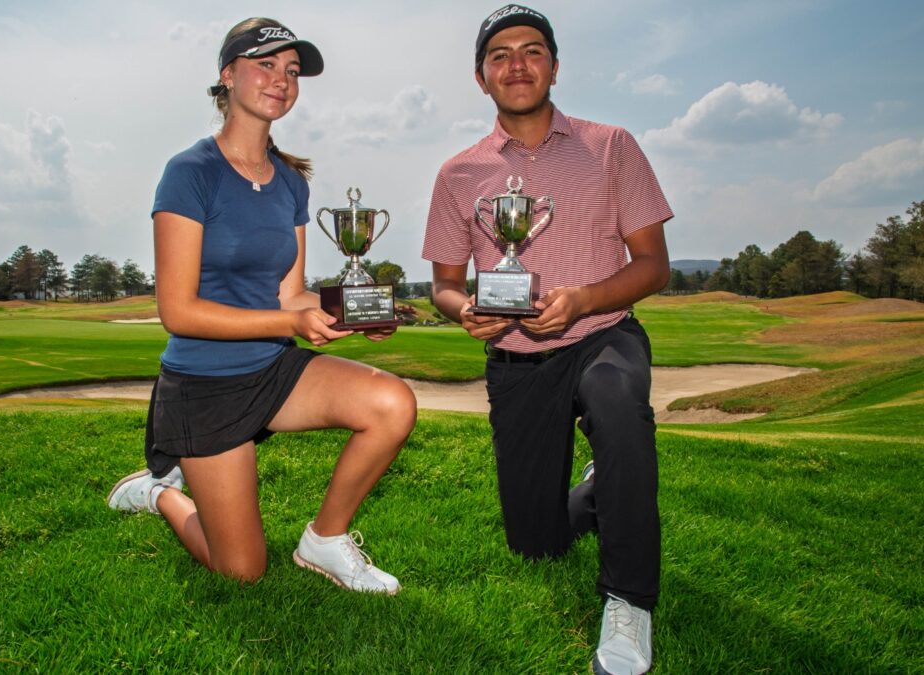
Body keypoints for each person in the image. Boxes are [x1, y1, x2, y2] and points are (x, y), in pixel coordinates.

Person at [107, 17, 416, 595]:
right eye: (266, 65)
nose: (282, 80)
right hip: (203, 386)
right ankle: (160, 492)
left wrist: (360, 312)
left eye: (292, 71)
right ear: (228, 75)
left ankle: (325, 539)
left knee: (392, 403)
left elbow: (290, 293)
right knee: (241, 569)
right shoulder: (190, 173)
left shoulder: (291, 182)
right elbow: (178, 311)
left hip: (272, 370)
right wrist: (290, 322)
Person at [422, 5, 673, 673]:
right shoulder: (457, 173)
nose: (517, 65)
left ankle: (628, 600)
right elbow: (443, 284)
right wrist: (463, 310)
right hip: (517, 358)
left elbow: (654, 264)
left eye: (532, 51)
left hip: (601, 335)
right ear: (481, 77)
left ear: (555, 67)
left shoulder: (612, 145)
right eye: (499, 54)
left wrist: (584, 299)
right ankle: (600, 486)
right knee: (535, 544)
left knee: (617, 403)